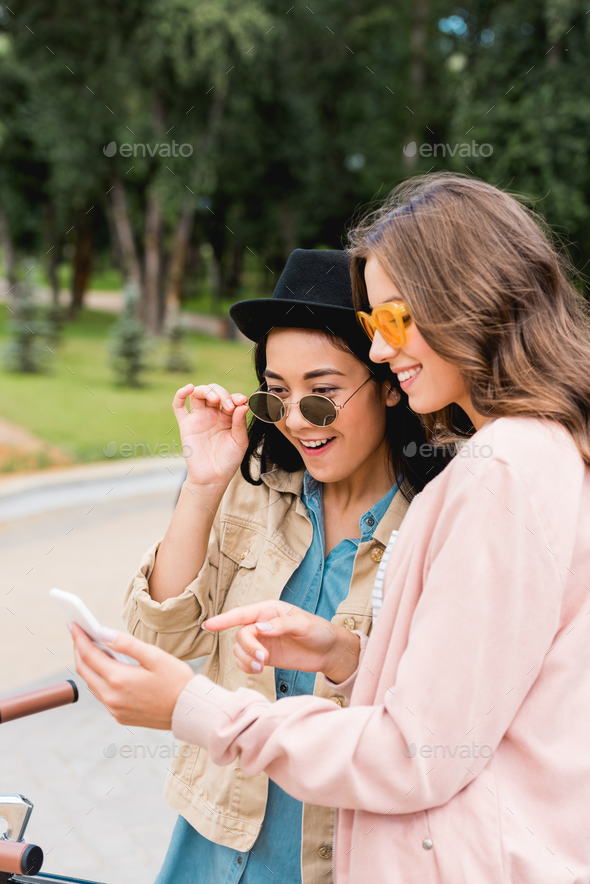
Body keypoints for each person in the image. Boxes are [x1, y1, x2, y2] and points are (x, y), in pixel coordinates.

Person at [72, 173, 590, 883]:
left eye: (391, 322)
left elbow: (417, 753)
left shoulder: (498, 472)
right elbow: (464, 700)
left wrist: (195, 709)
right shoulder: (534, 457)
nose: (383, 348)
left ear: (462, 299)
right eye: (275, 395)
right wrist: (346, 653)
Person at [118, 248, 447, 884]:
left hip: (340, 859)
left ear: (386, 380)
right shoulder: (253, 487)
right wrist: (202, 484)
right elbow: (156, 638)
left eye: (322, 396)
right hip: (210, 847)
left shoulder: (437, 521)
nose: (297, 420)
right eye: (276, 396)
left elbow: (426, 726)